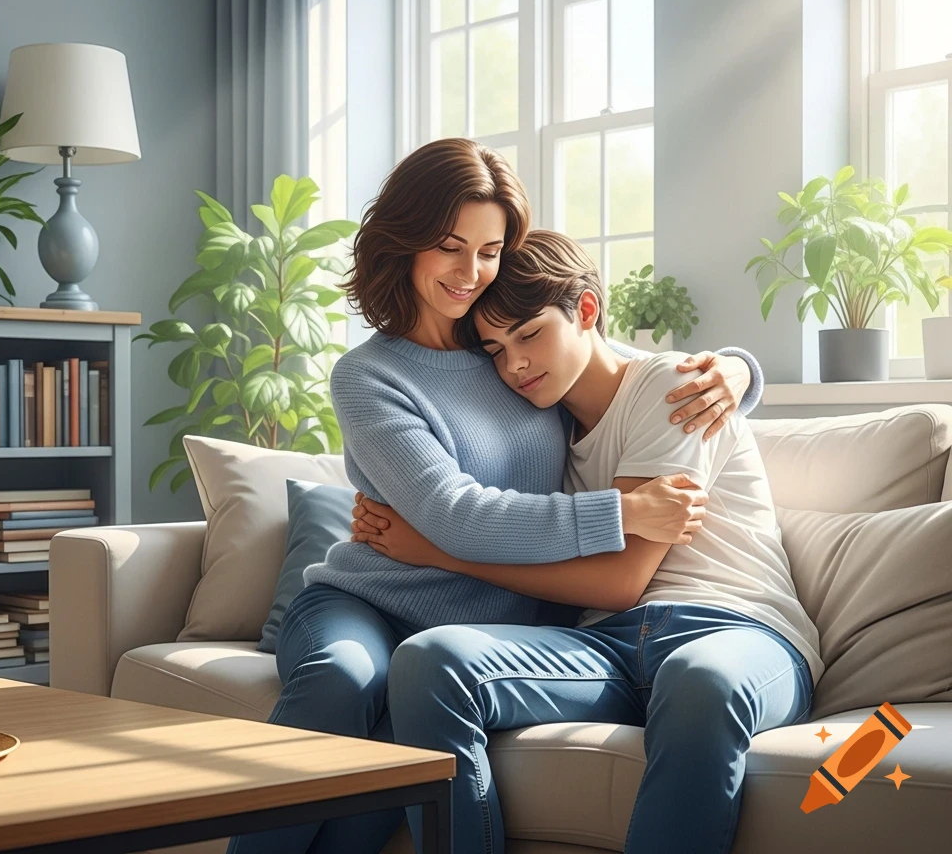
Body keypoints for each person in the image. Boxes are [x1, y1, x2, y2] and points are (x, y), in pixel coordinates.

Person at [227, 139, 764, 854]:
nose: (471, 272)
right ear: (405, 242)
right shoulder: (370, 376)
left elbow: (628, 373)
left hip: (491, 626)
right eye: (450, 246)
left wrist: (738, 369)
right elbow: (455, 512)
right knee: (345, 676)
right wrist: (625, 511)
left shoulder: (515, 355)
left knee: (389, 767)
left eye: (489, 249)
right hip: (371, 601)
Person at [352, 229, 822, 854]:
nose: (514, 364)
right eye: (494, 348)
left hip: (736, 633)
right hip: (605, 647)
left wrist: (438, 551)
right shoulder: (539, 426)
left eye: (529, 334)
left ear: (588, 311)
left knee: (696, 679)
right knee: (428, 661)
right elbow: (474, 507)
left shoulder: (670, 388)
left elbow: (619, 581)